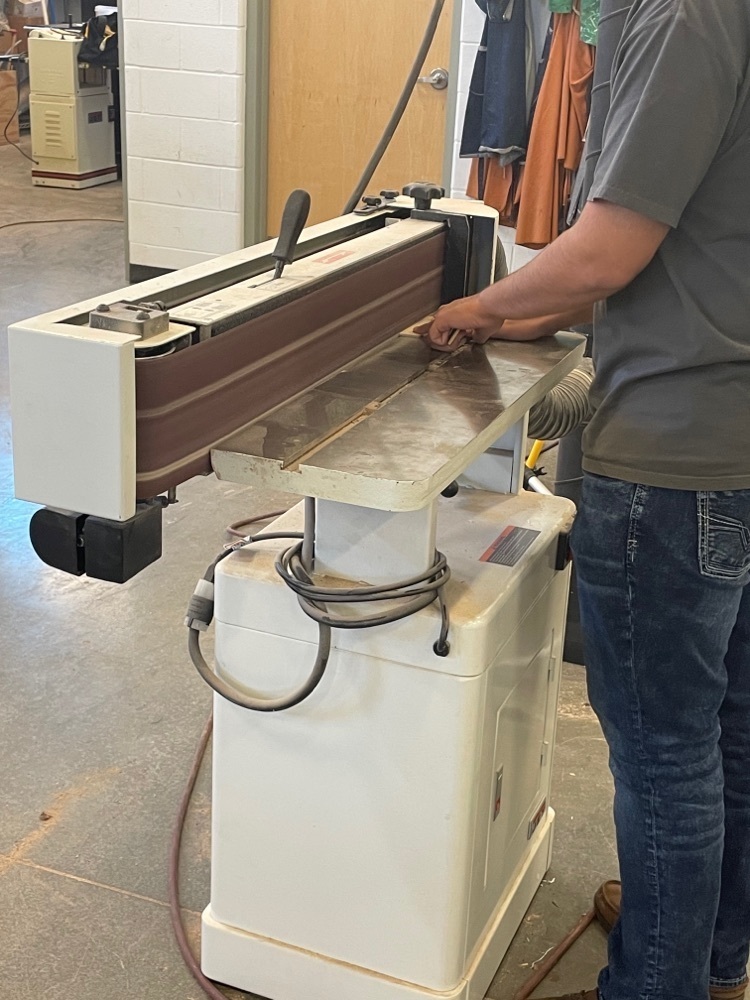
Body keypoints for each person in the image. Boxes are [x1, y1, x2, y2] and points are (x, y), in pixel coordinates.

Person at [418, 2, 750, 999]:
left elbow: (610, 251)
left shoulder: (681, 14)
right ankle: (707, 949)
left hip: (677, 453)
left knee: (663, 748)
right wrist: (530, 310)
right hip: (733, 441)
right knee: (727, 720)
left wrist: (480, 306)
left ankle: (656, 982)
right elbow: (677, 244)